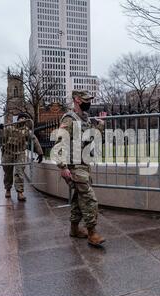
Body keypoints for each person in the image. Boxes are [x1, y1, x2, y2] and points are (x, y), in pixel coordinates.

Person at [54, 90, 106, 247]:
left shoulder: (85, 119)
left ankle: (74, 229)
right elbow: (59, 143)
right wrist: (62, 167)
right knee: (89, 198)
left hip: (83, 164)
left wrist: (101, 125)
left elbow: (92, 139)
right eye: (86, 99)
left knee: (78, 198)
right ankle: (92, 233)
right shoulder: (69, 119)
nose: (88, 102)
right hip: (73, 166)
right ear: (77, 100)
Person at [0, 113, 43, 201]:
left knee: (19, 172)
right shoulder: (9, 128)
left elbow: (34, 140)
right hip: (8, 153)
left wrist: (40, 153)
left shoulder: (27, 130)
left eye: (24, 118)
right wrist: (1, 129)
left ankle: (20, 192)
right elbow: (2, 138)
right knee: (7, 172)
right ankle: (8, 189)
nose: (23, 119)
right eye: (21, 118)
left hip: (20, 153)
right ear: (18, 119)